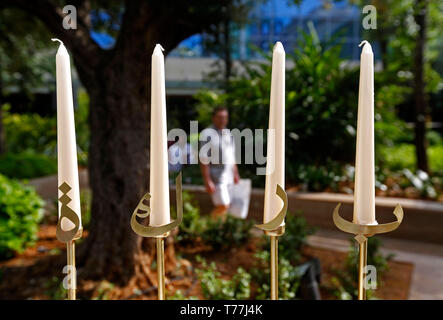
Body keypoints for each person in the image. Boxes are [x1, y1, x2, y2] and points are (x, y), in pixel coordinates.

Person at [199, 106, 240, 218]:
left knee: (227, 206)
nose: (223, 120)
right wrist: (207, 180)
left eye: (225, 117)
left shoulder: (229, 134)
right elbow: (204, 159)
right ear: (213, 118)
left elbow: (232, 157)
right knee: (223, 205)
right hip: (216, 178)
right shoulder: (207, 134)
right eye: (220, 117)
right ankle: (206, 228)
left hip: (229, 177)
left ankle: (219, 231)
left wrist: (236, 174)